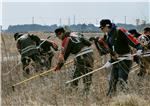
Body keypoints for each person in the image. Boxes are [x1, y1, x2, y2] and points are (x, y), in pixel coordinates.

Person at [99, 19, 143, 96]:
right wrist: (110, 61)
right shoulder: (108, 36)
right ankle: (110, 97)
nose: (101, 29)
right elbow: (112, 52)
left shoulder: (120, 31)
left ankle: (125, 99)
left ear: (106, 26)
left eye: (101, 27)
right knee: (112, 80)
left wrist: (139, 48)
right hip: (116, 60)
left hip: (125, 59)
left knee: (122, 80)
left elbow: (131, 39)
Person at [54, 27, 94, 94]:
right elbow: (89, 43)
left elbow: (64, 55)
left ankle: (72, 93)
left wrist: (58, 67)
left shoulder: (66, 40)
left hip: (81, 56)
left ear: (61, 34)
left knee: (75, 76)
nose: (58, 38)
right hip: (90, 54)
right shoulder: (76, 34)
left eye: (58, 36)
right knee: (88, 74)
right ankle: (86, 93)